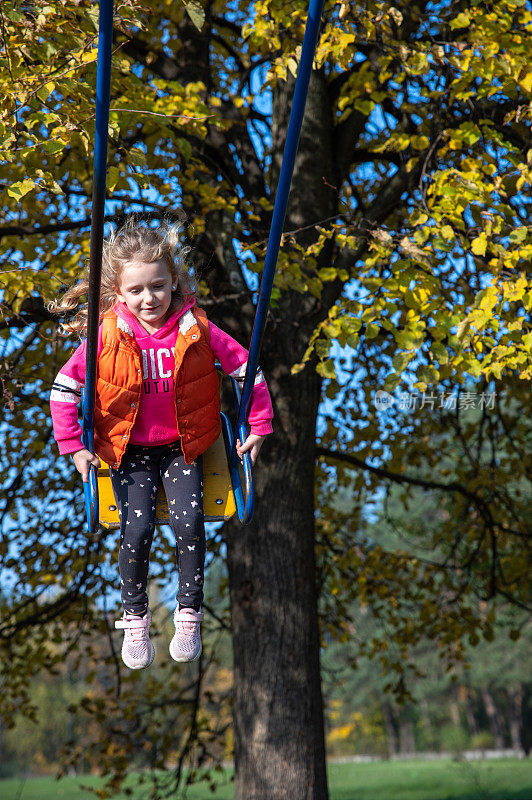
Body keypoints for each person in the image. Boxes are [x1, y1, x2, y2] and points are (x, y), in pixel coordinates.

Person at [49, 217, 273, 670]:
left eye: (158, 286)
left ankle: (188, 612)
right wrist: (74, 446)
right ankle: (135, 614)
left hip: (182, 445)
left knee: (190, 526)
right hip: (127, 447)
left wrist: (258, 423)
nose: (148, 298)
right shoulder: (104, 336)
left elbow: (246, 371)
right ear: (118, 293)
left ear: (174, 282)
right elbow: (63, 390)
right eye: (136, 291)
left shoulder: (196, 327)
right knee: (137, 529)